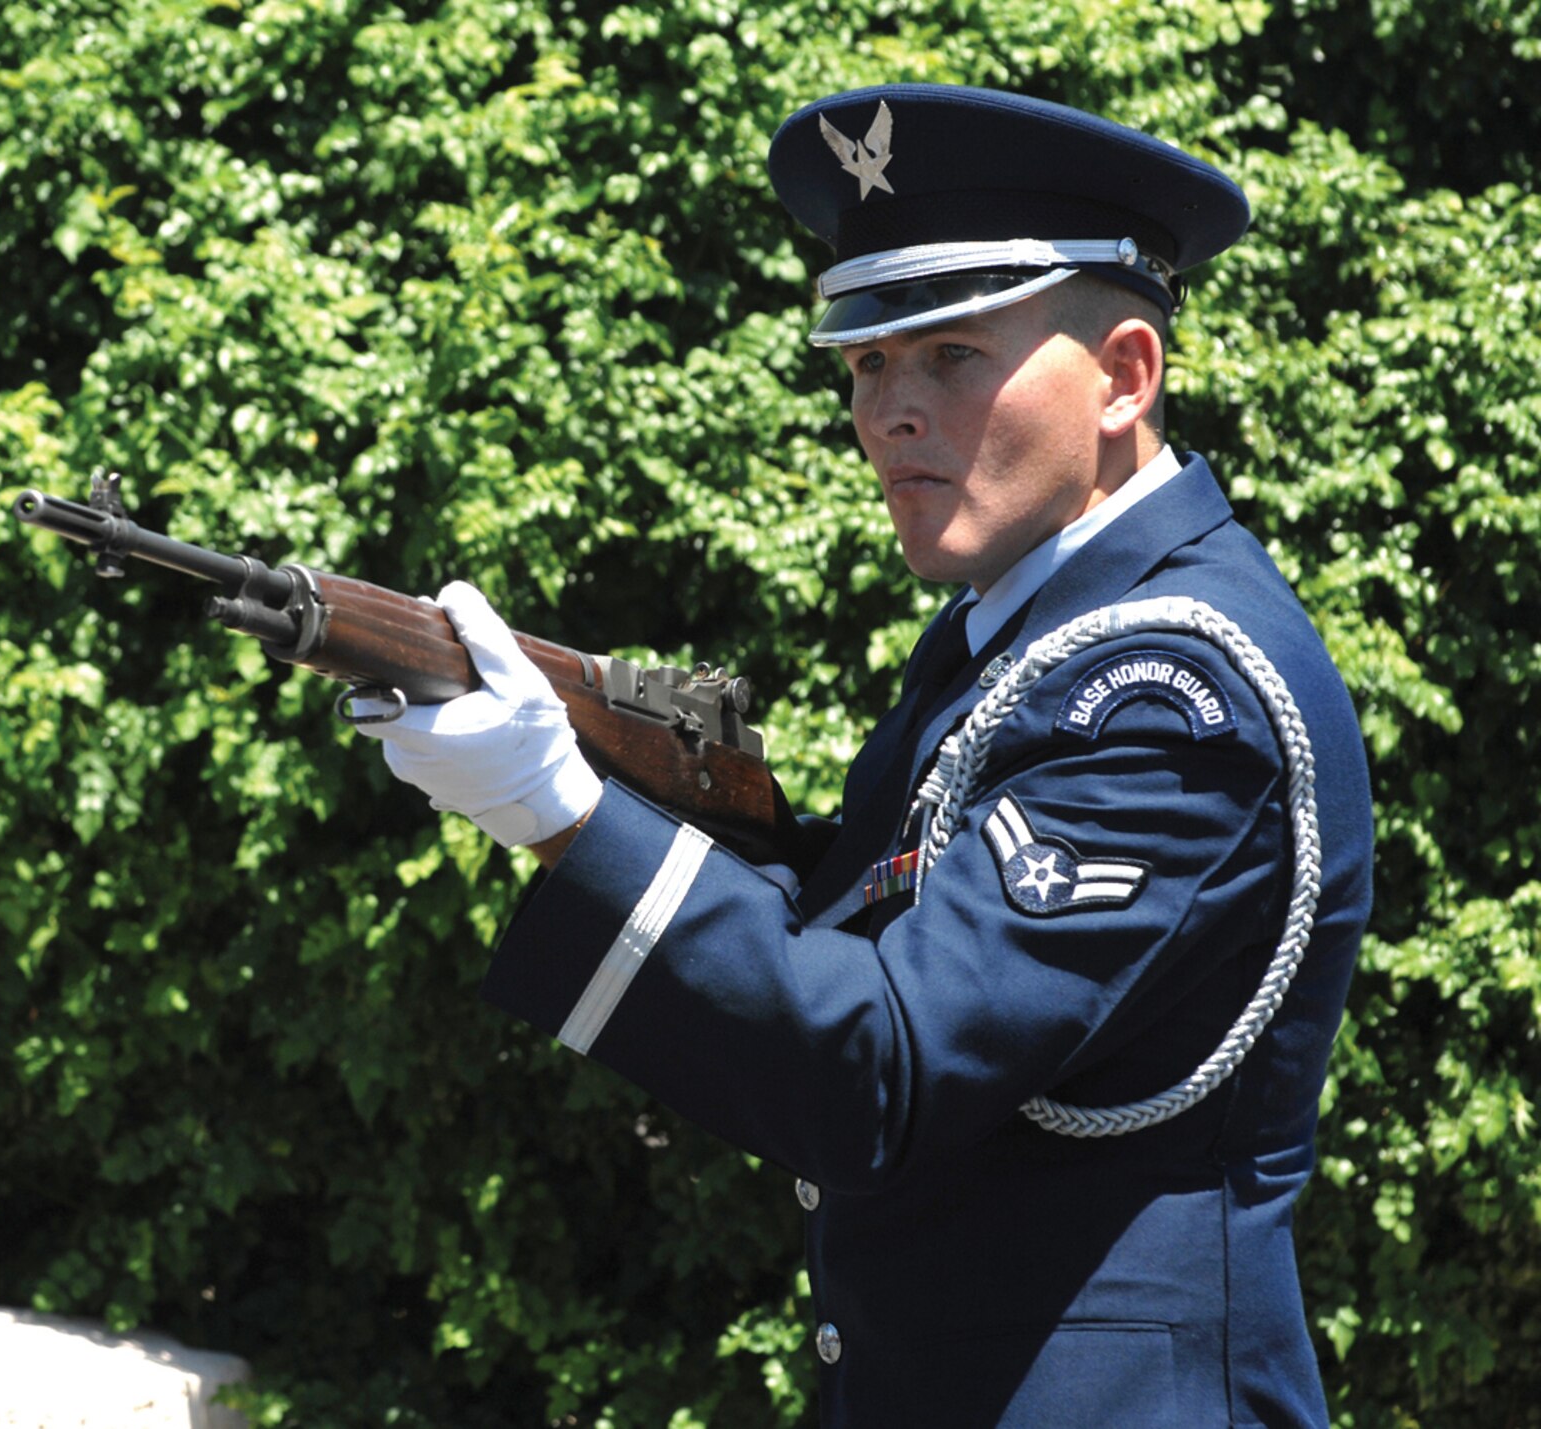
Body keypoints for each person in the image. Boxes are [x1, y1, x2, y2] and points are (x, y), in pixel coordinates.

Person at [360, 84, 1374, 1426]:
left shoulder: (1175, 687)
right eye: (867, 362)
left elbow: (886, 1063)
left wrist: (561, 813)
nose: (892, 411)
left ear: (1126, 375)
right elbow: (861, 915)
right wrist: (605, 768)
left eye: (952, 355)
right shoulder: (1015, 632)